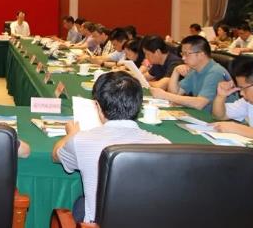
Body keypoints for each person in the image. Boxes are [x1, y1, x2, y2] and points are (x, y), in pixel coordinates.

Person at [52, 71, 169, 223]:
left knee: (81, 204)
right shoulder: (164, 145)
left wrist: (72, 134)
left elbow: (56, 155)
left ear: (98, 107)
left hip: (98, 223)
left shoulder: (81, 140)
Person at [150, 35, 235, 113]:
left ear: (201, 54)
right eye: (182, 54)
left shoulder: (215, 72)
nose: (183, 58)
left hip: (225, 120)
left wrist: (165, 95)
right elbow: (175, 93)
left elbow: (200, 103)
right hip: (205, 116)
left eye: (186, 54)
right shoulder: (195, 69)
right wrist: (175, 71)